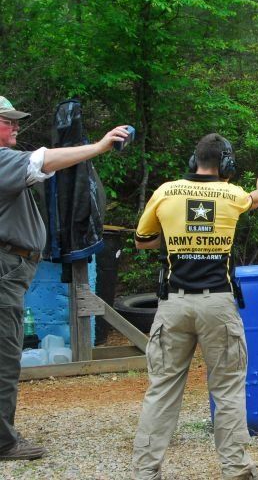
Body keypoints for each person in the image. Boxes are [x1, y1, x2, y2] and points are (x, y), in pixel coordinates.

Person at [131, 133, 258, 480]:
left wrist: (175, 235)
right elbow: (254, 199)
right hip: (218, 305)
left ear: (193, 161)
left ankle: (145, 471)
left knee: (162, 389)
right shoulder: (234, 194)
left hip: (174, 306)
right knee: (226, 390)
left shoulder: (166, 191)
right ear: (226, 165)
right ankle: (236, 469)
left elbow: (142, 241)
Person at [0, 95, 131, 461]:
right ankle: (3, 442)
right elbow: (42, 160)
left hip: (10, 267)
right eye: (7, 120)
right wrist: (100, 146)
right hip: (4, 270)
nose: (15, 126)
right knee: (4, 357)